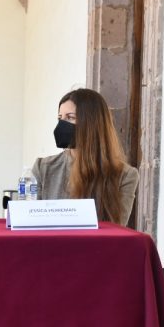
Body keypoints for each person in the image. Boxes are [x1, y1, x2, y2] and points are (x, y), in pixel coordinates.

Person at [31, 88, 139, 226]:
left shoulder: (125, 175)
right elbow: (31, 222)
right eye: (60, 118)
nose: (62, 124)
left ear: (91, 123)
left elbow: (117, 229)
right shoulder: (43, 167)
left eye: (70, 117)